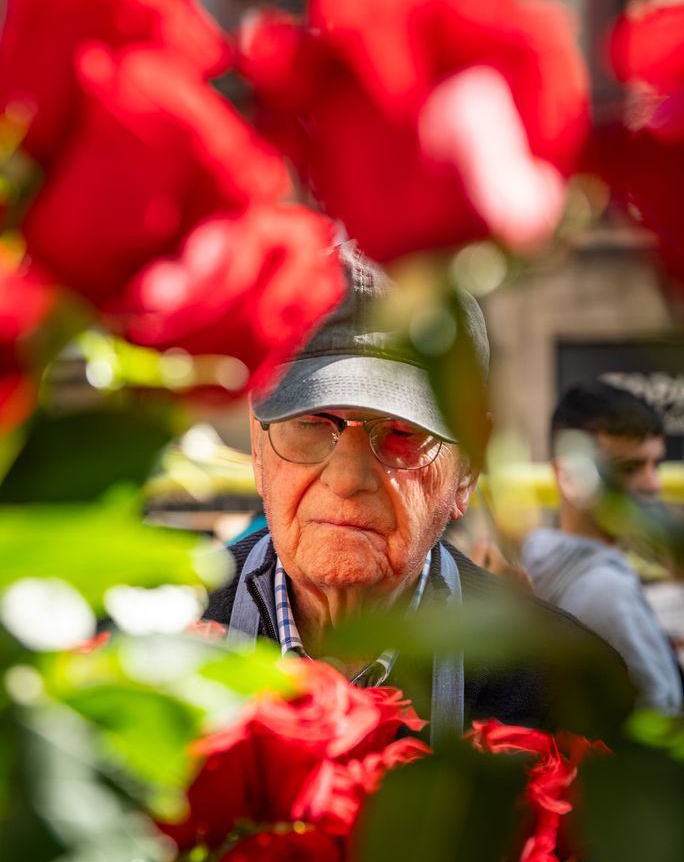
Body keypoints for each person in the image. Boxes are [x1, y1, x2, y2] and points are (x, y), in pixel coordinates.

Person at [206, 246, 630, 742]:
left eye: (402, 433)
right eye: (310, 424)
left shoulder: (563, 687)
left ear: (468, 466)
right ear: (259, 449)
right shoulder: (146, 644)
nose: (346, 478)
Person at [522, 379, 683, 715]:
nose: (653, 485)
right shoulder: (605, 591)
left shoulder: (541, 564)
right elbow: (661, 723)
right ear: (569, 476)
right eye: (629, 467)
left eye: (656, 464)